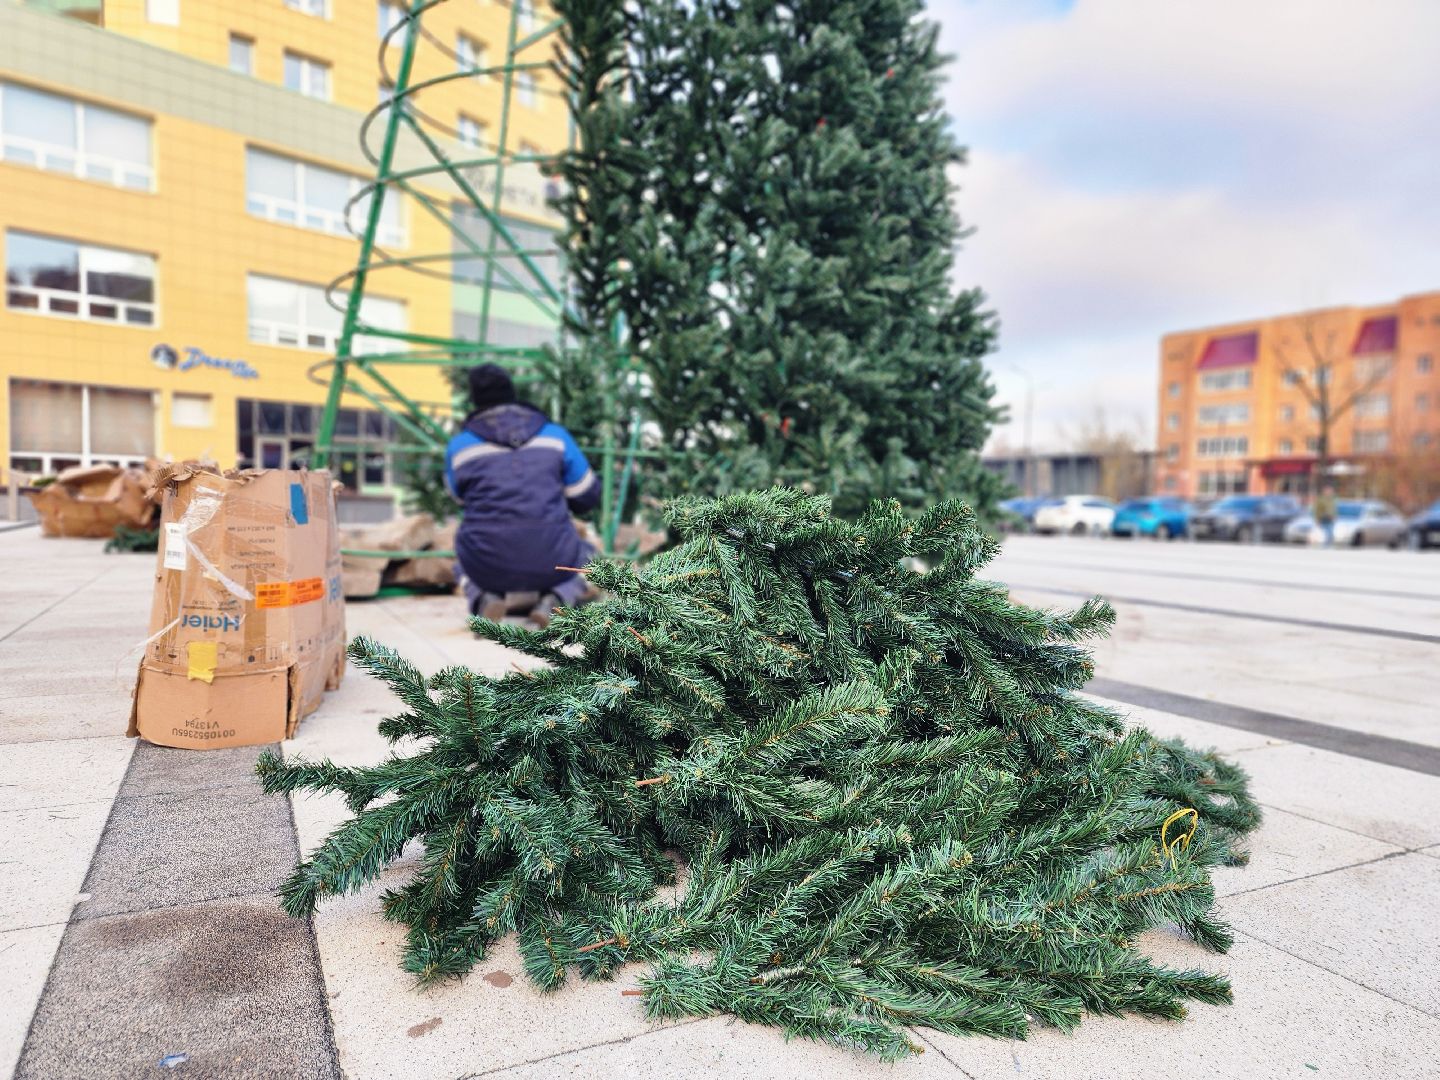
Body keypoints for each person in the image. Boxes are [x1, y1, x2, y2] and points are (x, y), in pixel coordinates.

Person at [445, 363, 600, 623]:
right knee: (589, 555)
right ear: (511, 392)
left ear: (473, 400)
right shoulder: (555, 437)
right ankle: (557, 600)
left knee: (461, 553)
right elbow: (587, 494)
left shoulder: (460, 447)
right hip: (554, 558)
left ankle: (484, 599)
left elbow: (459, 498)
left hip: (487, 564)